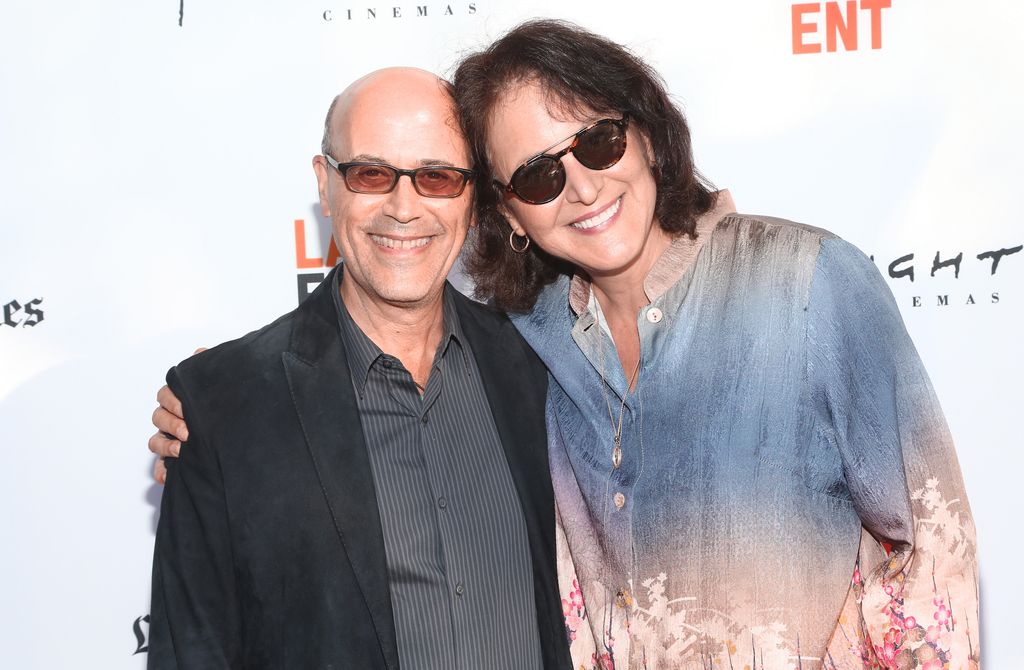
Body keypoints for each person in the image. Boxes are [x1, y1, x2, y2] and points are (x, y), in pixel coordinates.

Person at [151, 20, 981, 669]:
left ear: (647, 133)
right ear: (507, 213)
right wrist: (211, 437)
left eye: (598, 141)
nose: (581, 185)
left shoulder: (804, 286)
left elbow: (934, 559)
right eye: (539, 176)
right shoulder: (537, 346)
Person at [146, 67, 569, 670]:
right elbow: (193, 653)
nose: (404, 208)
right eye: (370, 173)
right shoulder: (221, 407)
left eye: (437, 177)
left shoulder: (538, 367)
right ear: (326, 185)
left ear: (473, 197)